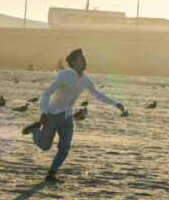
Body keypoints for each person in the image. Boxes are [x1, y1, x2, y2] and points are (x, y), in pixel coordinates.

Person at [23, 48, 124, 182]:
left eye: (85, 59)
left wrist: (115, 103)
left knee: (65, 147)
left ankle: (52, 172)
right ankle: (34, 130)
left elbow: (96, 94)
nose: (85, 62)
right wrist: (43, 112)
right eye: (82, 60)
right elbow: (47, 93)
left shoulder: (86, 80)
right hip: (52, 114)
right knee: (45, 146)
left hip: (68, 117)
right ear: (74, 62)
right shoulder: (64, 75)